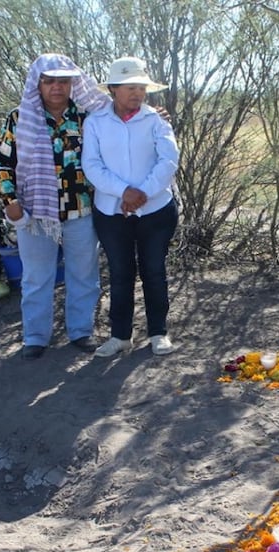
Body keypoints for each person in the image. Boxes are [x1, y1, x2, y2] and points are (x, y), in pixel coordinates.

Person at [0, 54, 111, 359]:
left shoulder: (87, 117)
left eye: (64, 80)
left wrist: (154, 117)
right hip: (35, 214)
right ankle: (35, 337)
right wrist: (10, 201)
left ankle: (81, 331)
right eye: (50, 80)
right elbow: (2, 161)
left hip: (80, 210)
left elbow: (123, 131)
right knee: (36, 277)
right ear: (38, 84)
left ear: (73, 83)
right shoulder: (20, 118)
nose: (57, 87)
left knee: (83, 274)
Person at [82, 57, 180, 357]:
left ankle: (158, 333)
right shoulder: (96, 122)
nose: (136, 94)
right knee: (120, 271)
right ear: (113, 89)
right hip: (112, 213)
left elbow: (168, 160)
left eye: (141, 88)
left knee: (154, 270)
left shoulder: (156, 120)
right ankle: (120, 336)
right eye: (129, 88)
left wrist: (142, 194)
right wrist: (124, 192)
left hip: (156, 211)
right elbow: (92, 164)